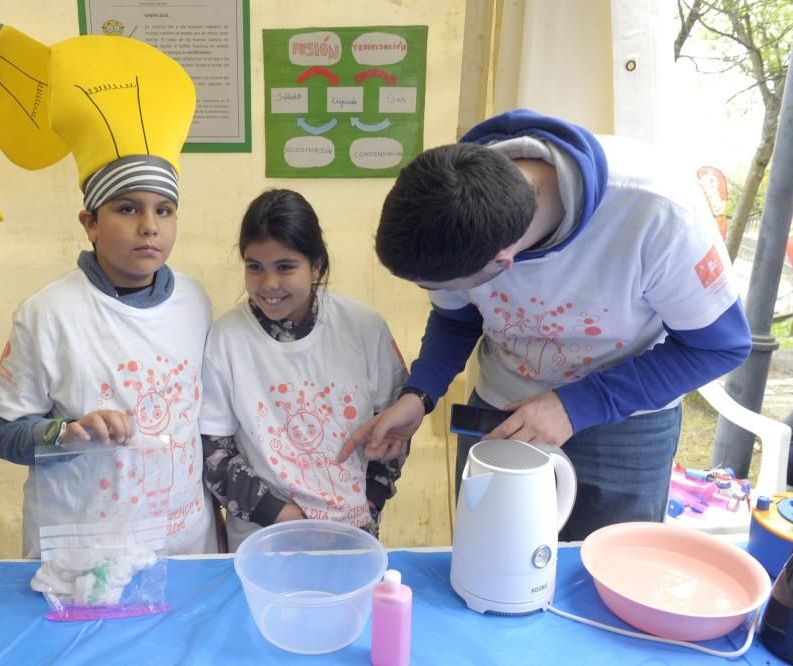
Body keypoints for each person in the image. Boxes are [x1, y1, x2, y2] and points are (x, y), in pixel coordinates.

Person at [338, 109, 751, 541]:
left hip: (625, 420)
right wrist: (419, 394)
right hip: (503, 411)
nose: (432, 291)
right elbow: (455, 316)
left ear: (503, 264)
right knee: (493, 563)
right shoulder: (452, 202)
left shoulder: (658, 213)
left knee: (604, 571)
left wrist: (576, 405)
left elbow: (720, 346)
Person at [0, 33, 215, 557]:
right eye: (128, 209)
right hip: (84, 554)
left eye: (164, 209)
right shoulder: (47, 314)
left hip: (183, 544)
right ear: (89, 222)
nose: (149, 227)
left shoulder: (196, 302)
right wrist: (68, 434)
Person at [200, 189, 408, 551]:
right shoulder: (226, 337)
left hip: (353, 532)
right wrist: (287, 519)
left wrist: (371, 501)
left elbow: (395, 429)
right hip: (263, 537)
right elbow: (214, 452)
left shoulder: (364, 327)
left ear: (317, 265)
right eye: (254, 267)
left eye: (285, 267)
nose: (268, 285)